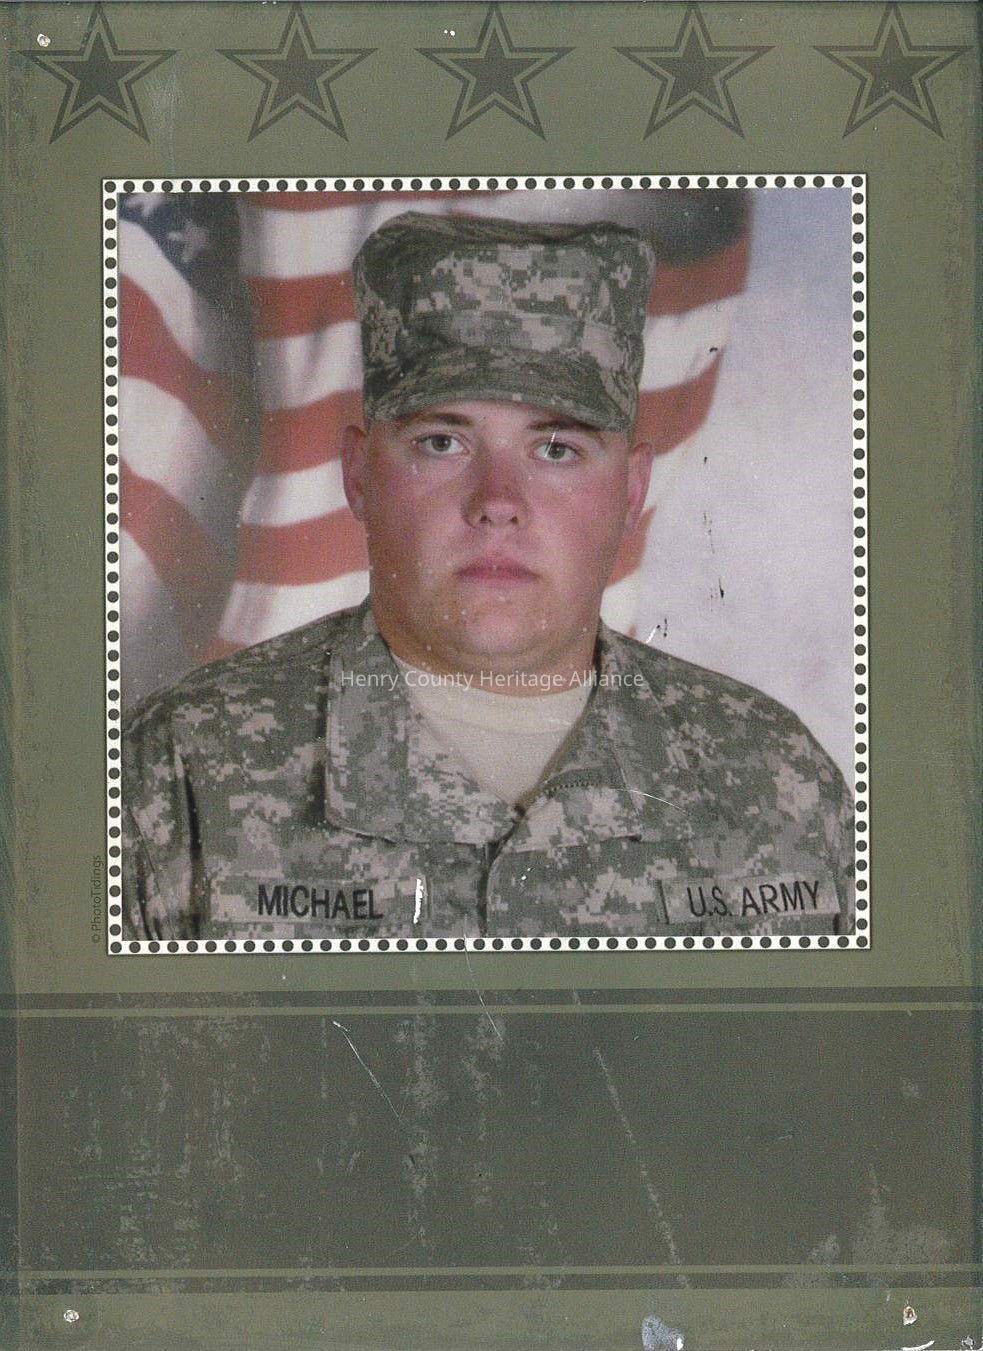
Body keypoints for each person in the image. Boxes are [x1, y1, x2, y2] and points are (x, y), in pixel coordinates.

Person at [121, 212, 854, 942]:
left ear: (631, 491)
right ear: (359, 475)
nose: (498, 502)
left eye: (557, 449)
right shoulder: (183, 773)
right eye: (442, 442)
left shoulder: (774, 784)